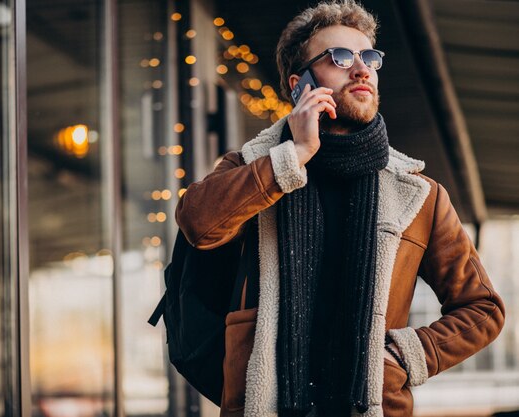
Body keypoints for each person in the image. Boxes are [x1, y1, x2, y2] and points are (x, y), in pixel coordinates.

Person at [175, 1, 505, 416]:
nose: (361, 69)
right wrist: (293, 156)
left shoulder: (418, 193)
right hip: (265, 403)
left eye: (369, 57)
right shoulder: (249, 168)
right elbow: (198, 223)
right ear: (300, 85)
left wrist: (406, 355)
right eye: (340, 57)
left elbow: (483, 308)